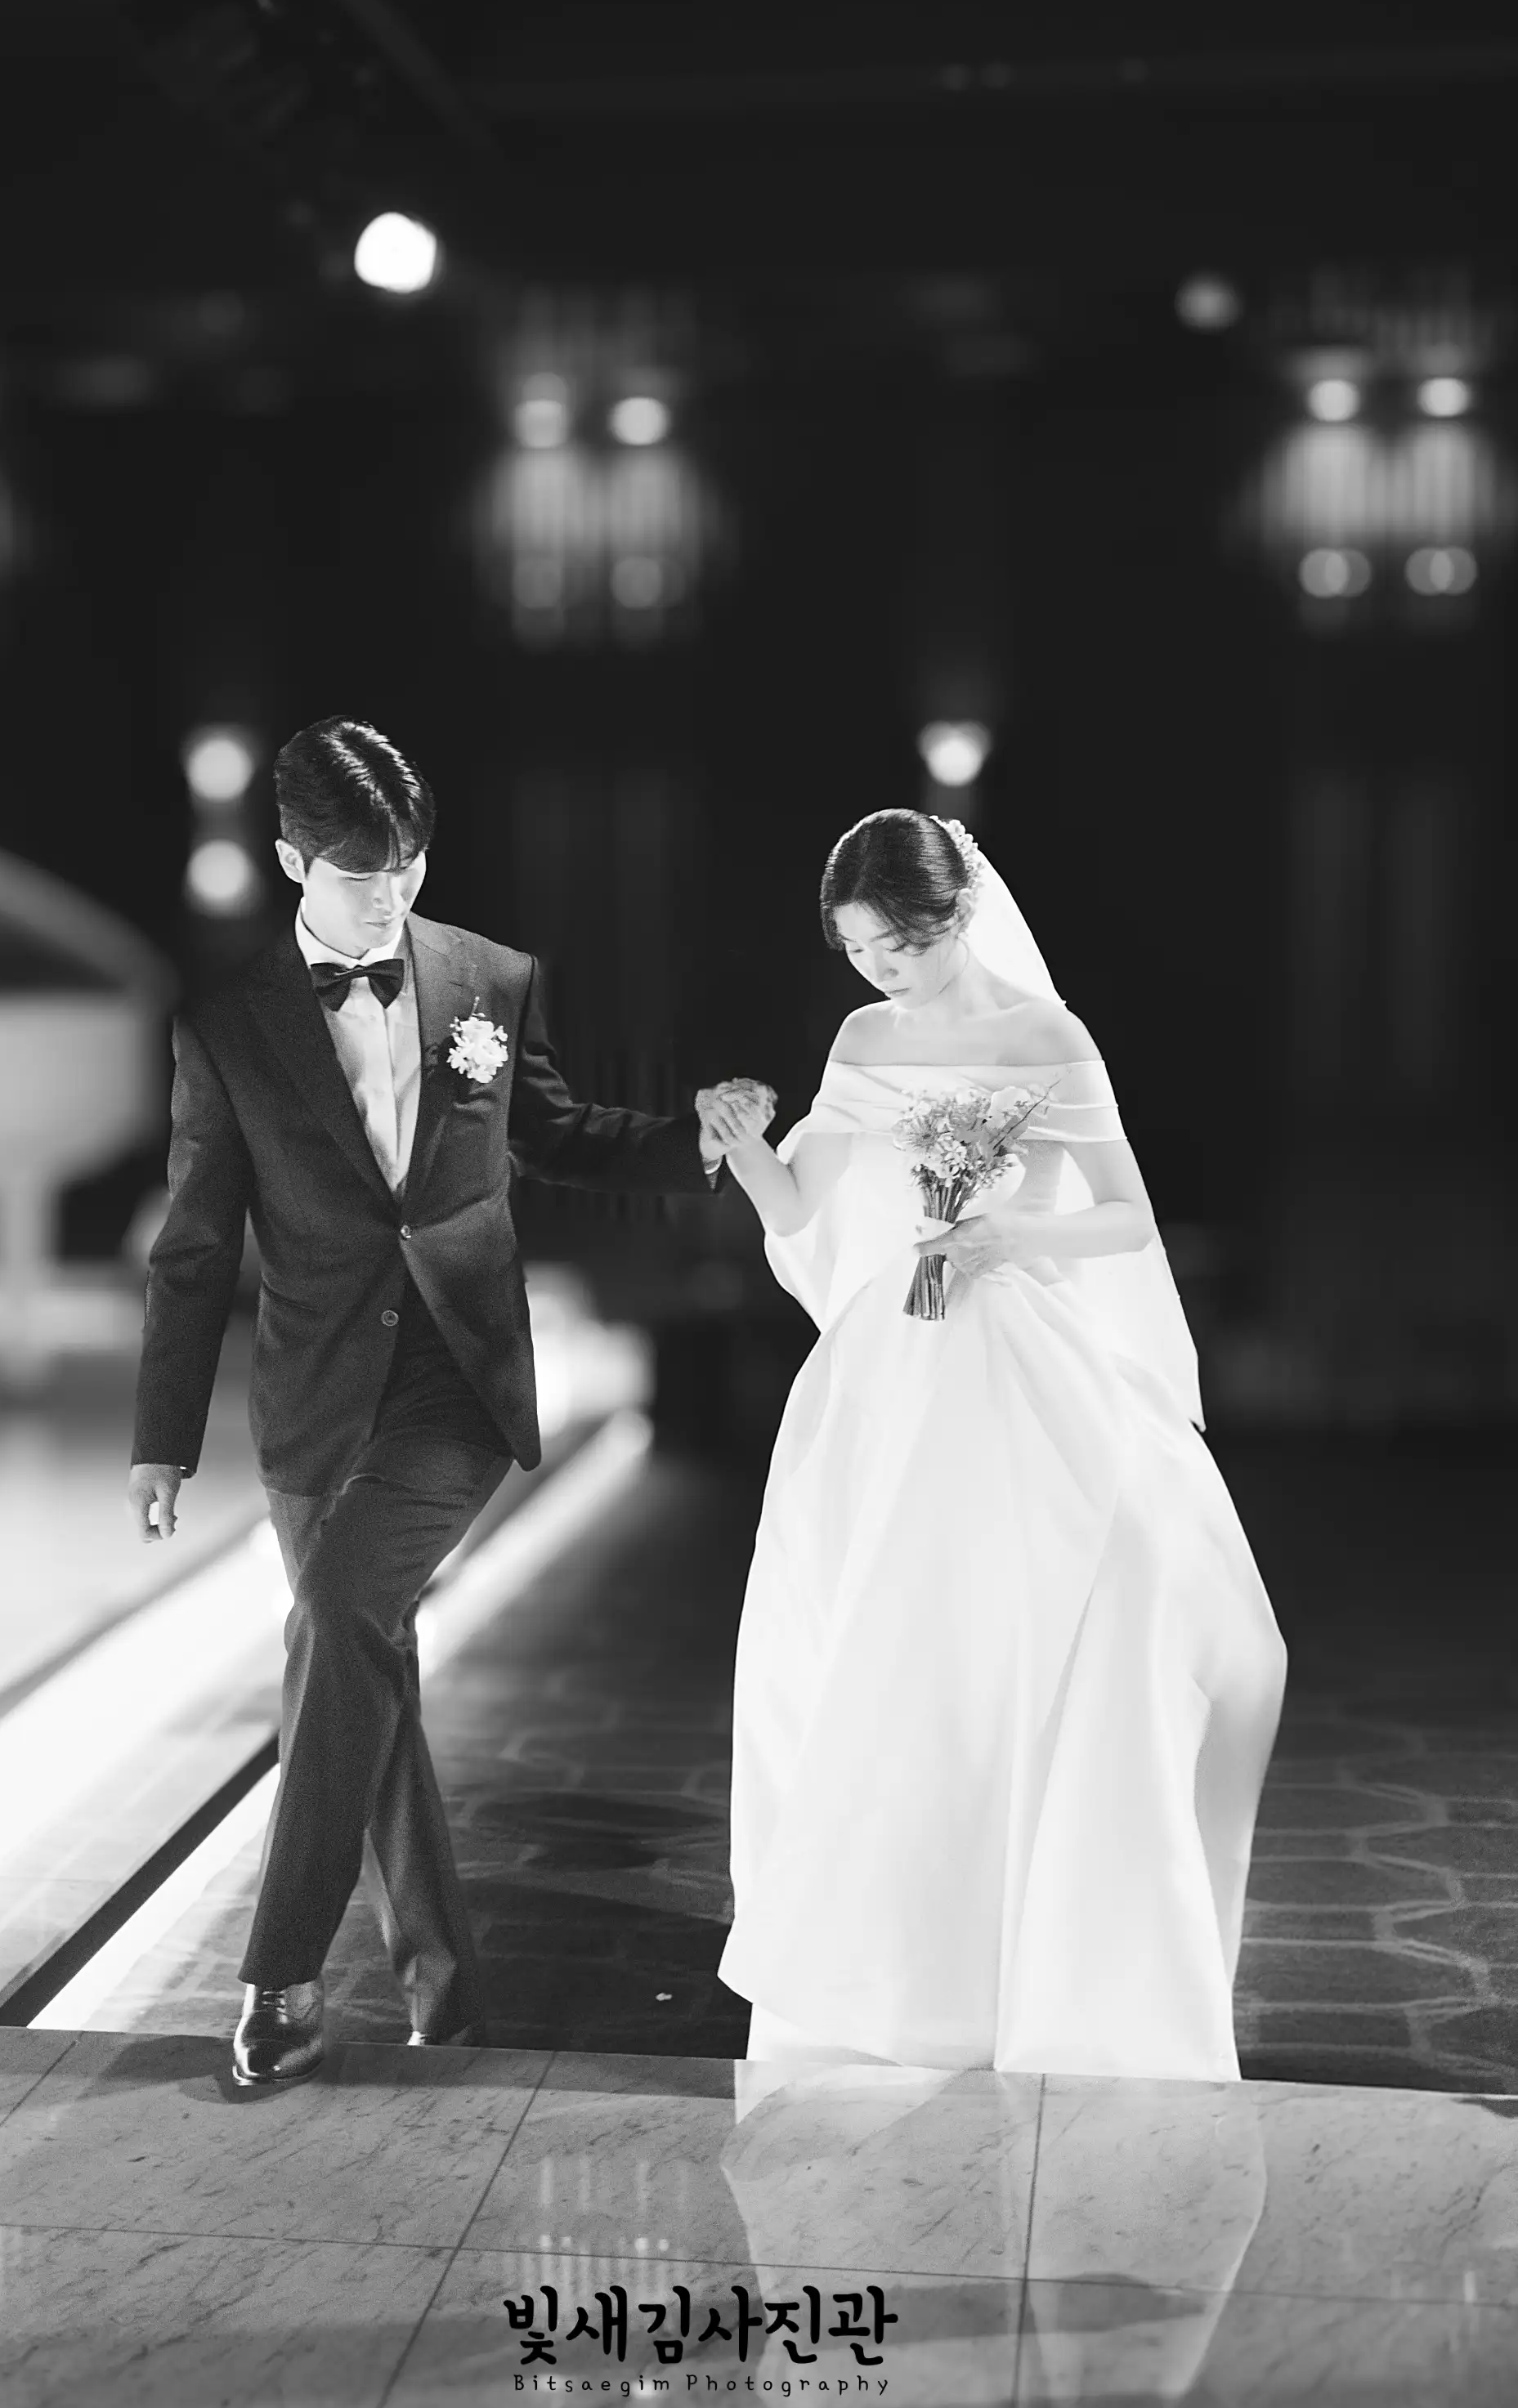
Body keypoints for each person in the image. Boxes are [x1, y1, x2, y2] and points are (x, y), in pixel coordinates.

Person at [127, 717, 772, 2087]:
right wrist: (160, 1440)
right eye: (362, 874)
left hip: (456, 1376)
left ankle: (283, 1980)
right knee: (366, 1674)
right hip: (313, 1397)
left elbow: (555, 1132)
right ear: (294, 861)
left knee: (339, 1620)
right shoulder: (228, 1027)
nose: (393, 895)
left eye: (410, 865)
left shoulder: (488, 978)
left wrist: (701, 1145)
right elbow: (194, 1248)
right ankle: (450, 1997)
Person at [703, 808, 1287, 2081]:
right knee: (890, 1640)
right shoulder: (864, 1038)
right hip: (894, 1358)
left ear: (958, 917)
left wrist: (1010, 1237)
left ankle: (1055, 1930)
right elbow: (801, 1206)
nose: (880, 972)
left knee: (1059, 1618)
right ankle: (898, 1953)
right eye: (859, 951)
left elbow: (1128, 1219)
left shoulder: (1047, 1038)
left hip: (1021, 1342)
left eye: (900, 948)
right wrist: (745, 1150)